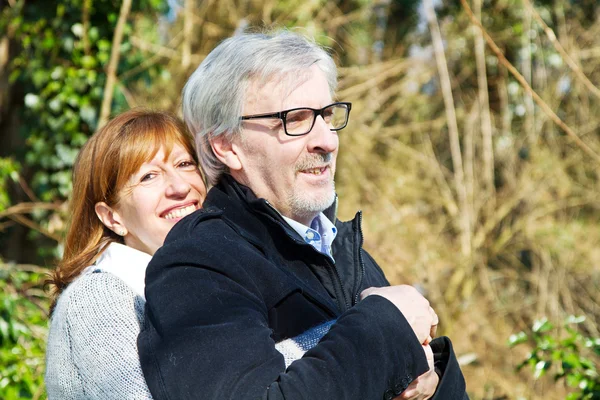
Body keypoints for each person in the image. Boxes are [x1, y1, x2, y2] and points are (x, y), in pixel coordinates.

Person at [139, 31, 468, 399]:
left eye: (327, 115)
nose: (327, 140)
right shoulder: (197, 265)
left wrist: (430, 381)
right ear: (227, 146)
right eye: (296, 119)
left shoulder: (347, 252)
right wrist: (387, 328)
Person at [45, 109, 207, 399]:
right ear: (112, 217)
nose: (181, 187)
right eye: (148, 176)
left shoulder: (202, 278)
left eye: (185, 163)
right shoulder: (98, 297)